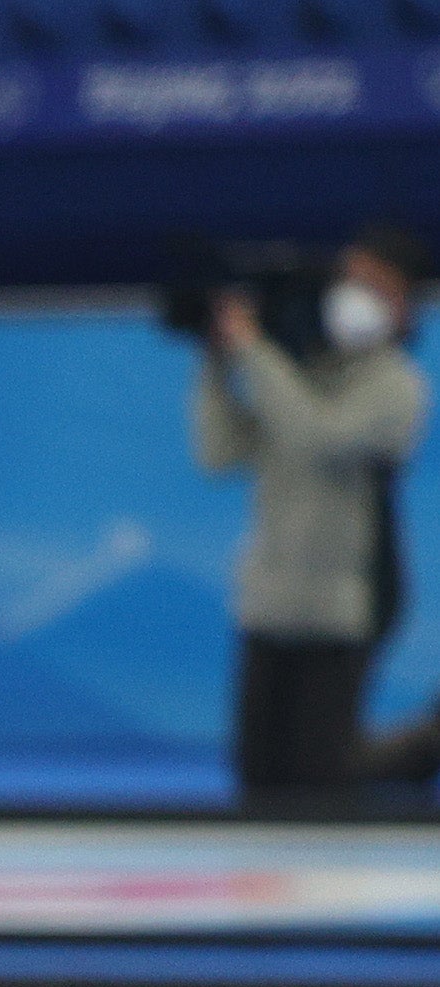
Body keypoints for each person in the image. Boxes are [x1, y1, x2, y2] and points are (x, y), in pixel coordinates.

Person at [196, 230, 426, 803]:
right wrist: (217, 368)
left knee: (320, 782)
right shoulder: (301, 373)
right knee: (258, 776)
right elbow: (221, 452)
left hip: (341, 609)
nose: (354, 295)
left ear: (404, 303)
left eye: (373, 285)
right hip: (269, 602)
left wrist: (255, 353)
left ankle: (422, 751)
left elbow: (322, 437)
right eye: (348, 281)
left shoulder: (398, 385)